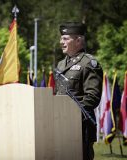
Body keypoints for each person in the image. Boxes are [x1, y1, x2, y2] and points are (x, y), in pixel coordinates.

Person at [55, 22, 103, 160]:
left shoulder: (88, 63)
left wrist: (71, 114)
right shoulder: (61, 64)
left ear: (78, 40)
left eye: (65, 39)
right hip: (61, 124)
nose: (61, 42)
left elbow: (92, 97)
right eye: (61, 38)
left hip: (80, 127)